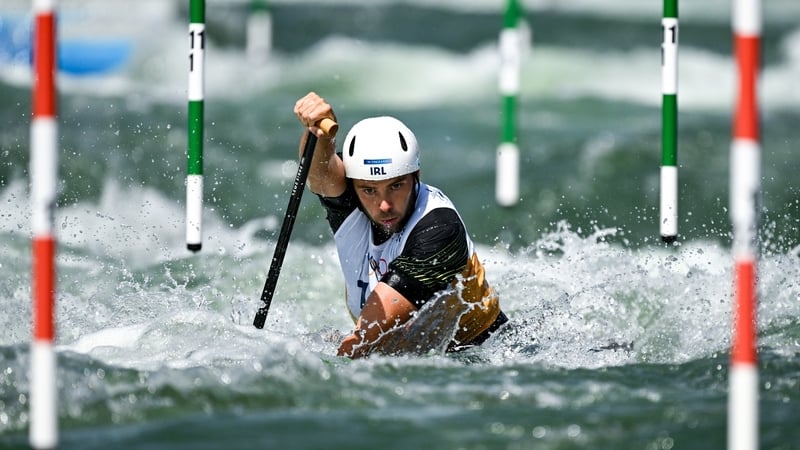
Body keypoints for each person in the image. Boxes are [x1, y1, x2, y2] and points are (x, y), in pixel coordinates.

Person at [293, 92, 508, 358]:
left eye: (395, 186)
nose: (384, 205)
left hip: (481, 360)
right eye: (369, 190)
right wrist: (320, 134)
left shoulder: (439, 229)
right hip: (413, 357)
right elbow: (320, 173)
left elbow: (362, 343)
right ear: (354, 186)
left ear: (415, 176)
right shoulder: (353, 204)